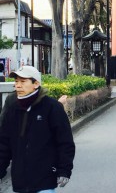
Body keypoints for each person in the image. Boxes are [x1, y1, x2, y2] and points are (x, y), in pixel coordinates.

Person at [0, 65, 75, 193]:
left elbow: (65, 142)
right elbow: (4, 144)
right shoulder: (12, 109)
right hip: (20, 181)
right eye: (16, 81)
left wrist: (64, 170)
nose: (18, 85)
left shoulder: (52, 107)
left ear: (36, 84)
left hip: (44, 180)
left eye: (23, 82)